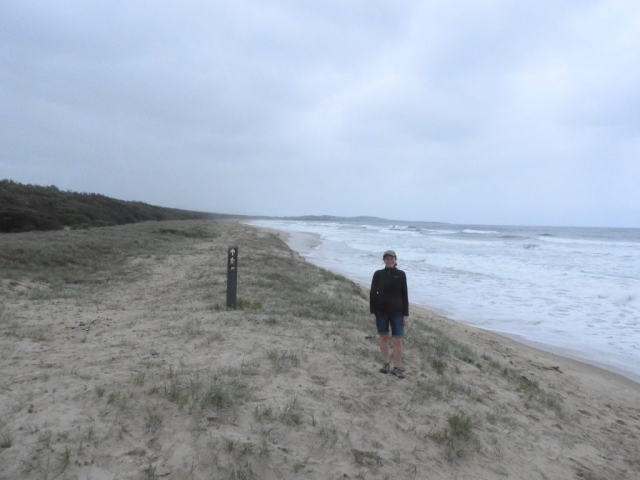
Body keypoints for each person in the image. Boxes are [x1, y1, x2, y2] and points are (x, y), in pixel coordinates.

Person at [370, 249, 409, 379]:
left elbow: (405, 295)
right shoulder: (378, 274)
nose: (389, 260)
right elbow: (372, 294)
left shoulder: (401, 274)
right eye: (387, 258)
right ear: (384, 260)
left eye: (391, 258)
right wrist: (372, 313)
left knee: (397, 340)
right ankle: (386, 364)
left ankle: (397, 368)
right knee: (383, 338)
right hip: (381, 312)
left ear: (395, 260)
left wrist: (406, 315)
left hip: (397, 312)